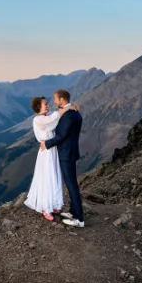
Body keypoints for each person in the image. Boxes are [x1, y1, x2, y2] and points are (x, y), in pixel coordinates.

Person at [43, 89, 85, 227]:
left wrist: (46, 144)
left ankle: (79, 219)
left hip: (66, 153)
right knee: (70, 183)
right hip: (70, 151)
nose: (54, 101)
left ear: (62, 99)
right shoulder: (73, 112)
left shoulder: (69, 115)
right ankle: (74, 212)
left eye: (55, 98)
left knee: (71, 184)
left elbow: (61, 136)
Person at [24, 97, 63, 220]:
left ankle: (53, 204)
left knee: (54, 176)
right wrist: (69, 107)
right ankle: (46, 208)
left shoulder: (46, 116)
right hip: (47, 152)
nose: (47, 105)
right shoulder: (39, 119)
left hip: (52, 150)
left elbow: (54, 116)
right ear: (38, 106)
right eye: (45, 104)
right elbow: (54, 118)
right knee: (47, 177)